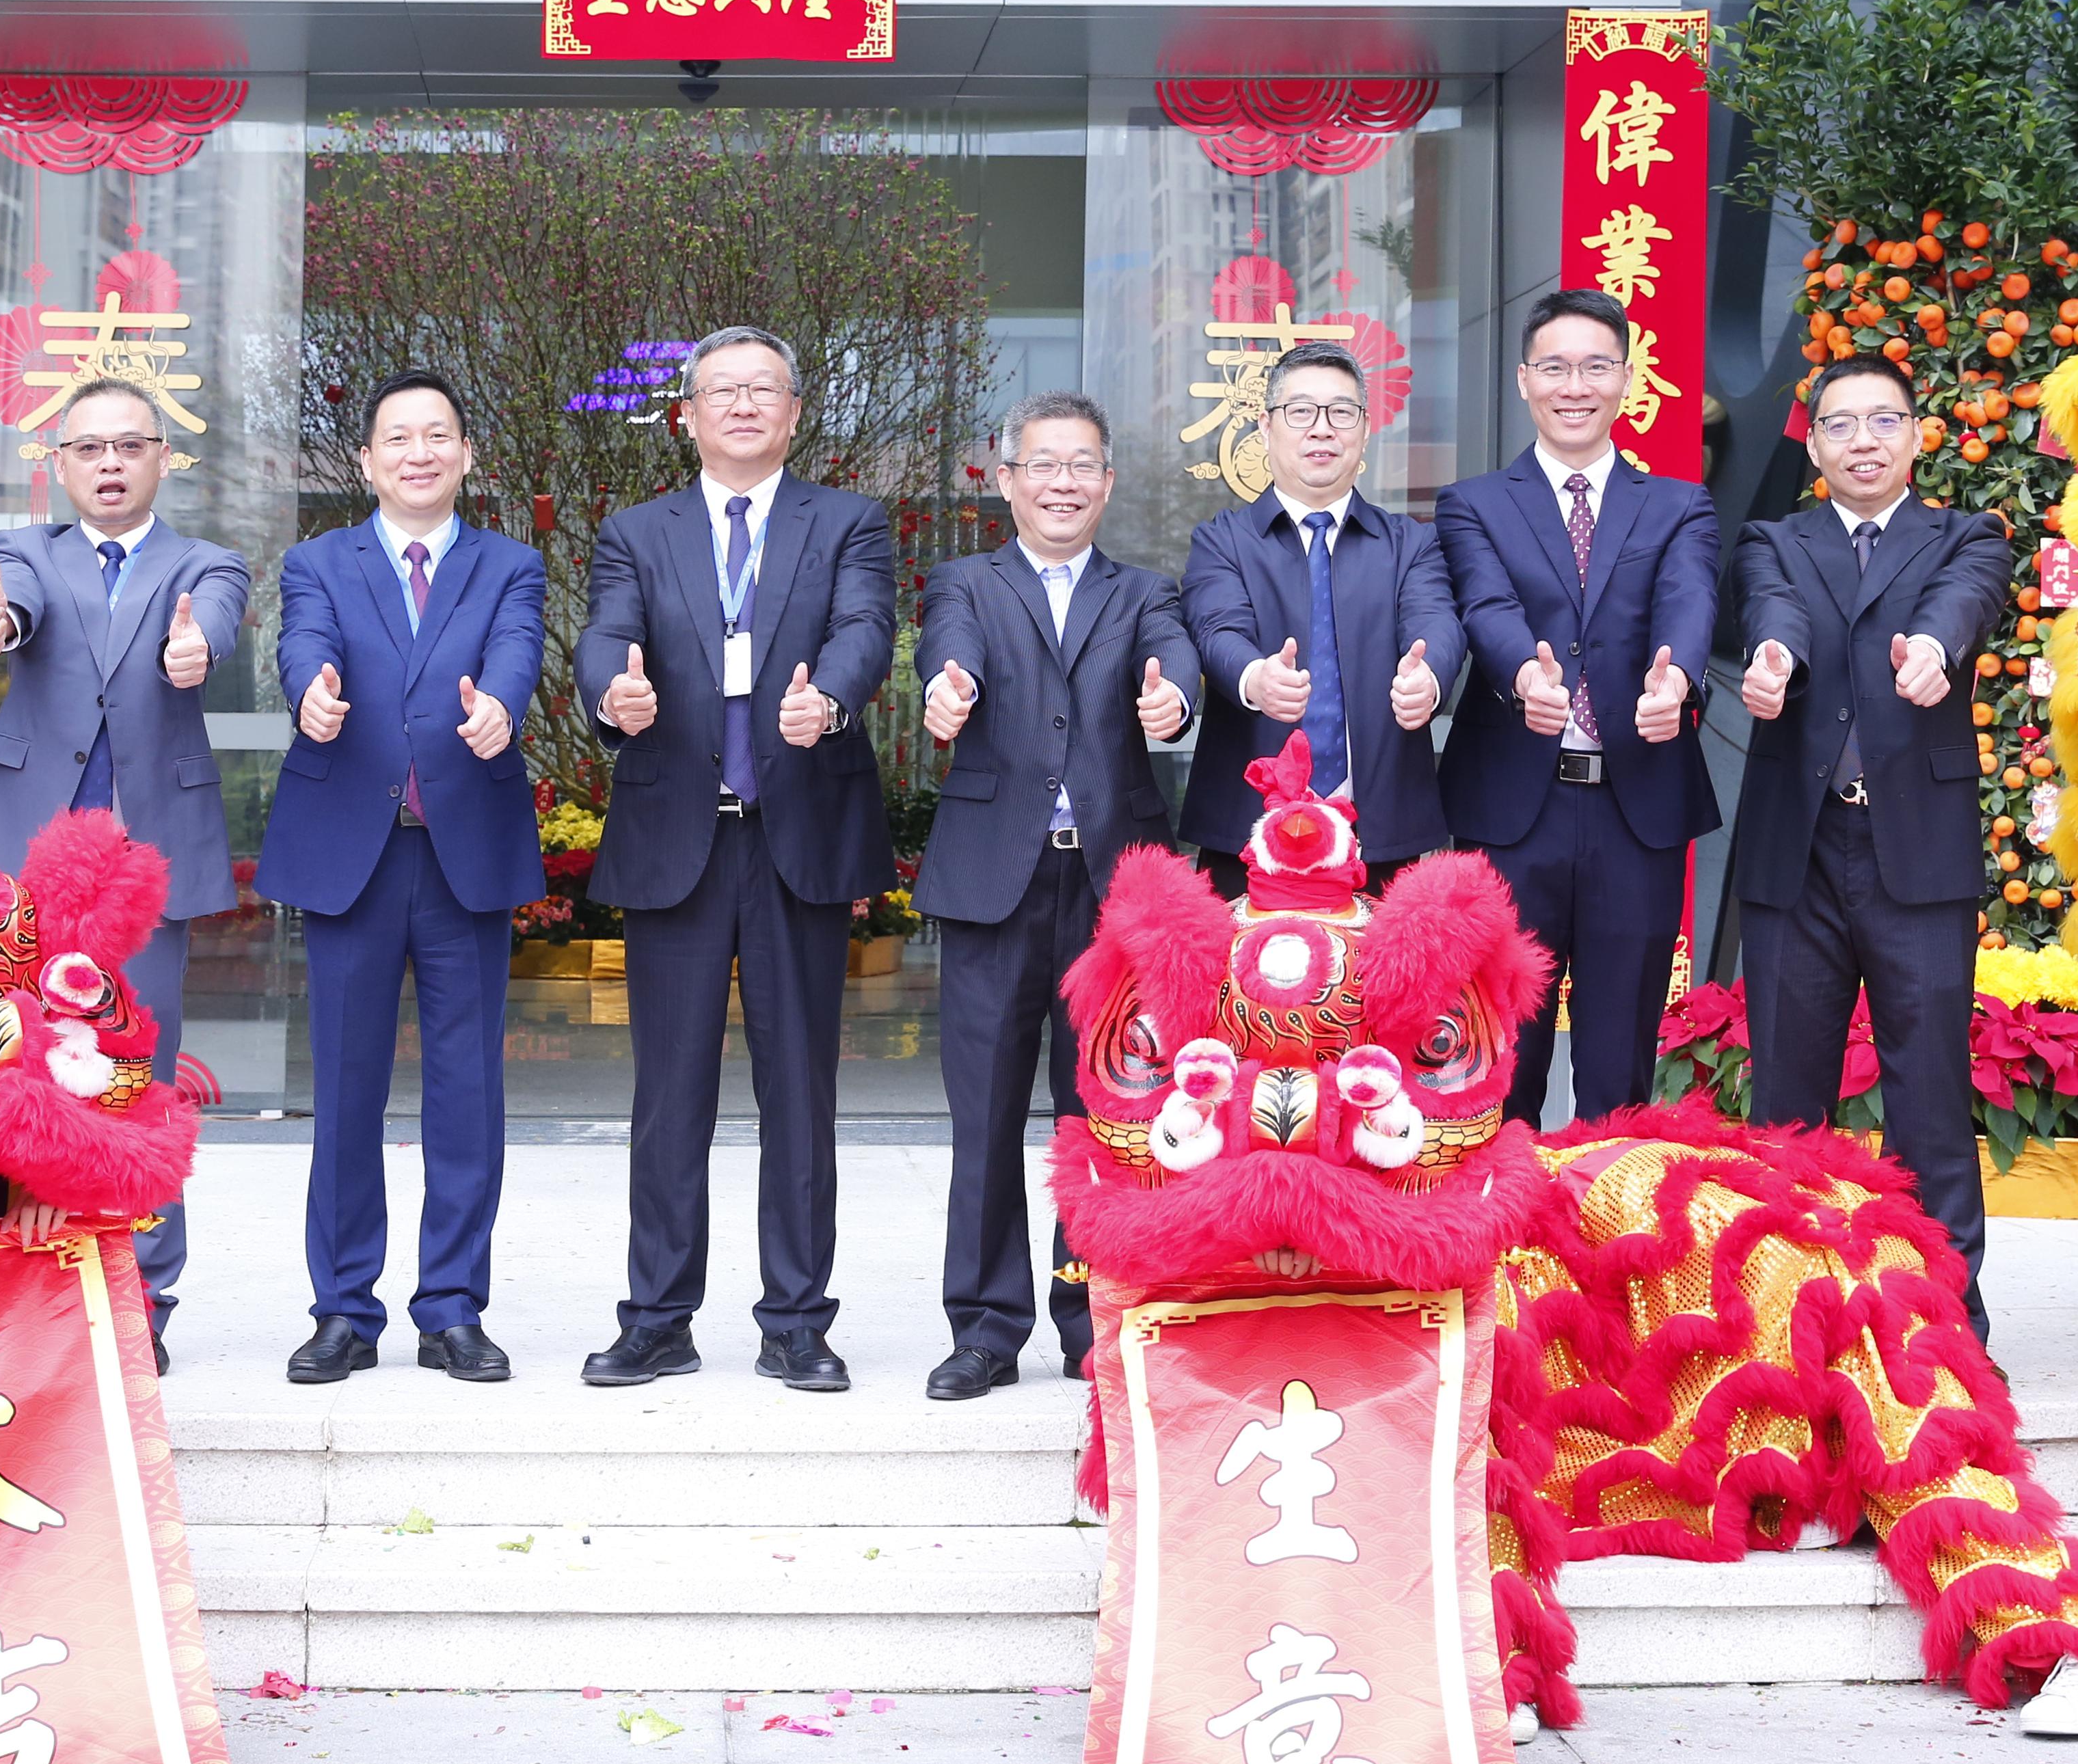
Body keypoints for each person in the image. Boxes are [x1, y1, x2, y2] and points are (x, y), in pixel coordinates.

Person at [570, 327, 896, 1393]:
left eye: (765, 388)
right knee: (669, 1094)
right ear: (689, 414)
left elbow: (865, 627)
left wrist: (830, 698)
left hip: (797, 830)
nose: (744, 404)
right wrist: (613, 694)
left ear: (795, 413)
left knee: (800, 1090)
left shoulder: (847, 521)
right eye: (723, 390)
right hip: (679, 835)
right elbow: (607, 632)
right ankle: (658, 1316)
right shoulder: (636, 530)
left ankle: (796, 1320)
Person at [259, 370, 546, 1387]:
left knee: (468, 1092)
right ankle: (344, 1307)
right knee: (346, 1091)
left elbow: (516, 652)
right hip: (355, 852)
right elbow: (304, 642)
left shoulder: (510, 564)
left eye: (437, 436)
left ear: (466, 454)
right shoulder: (317, 561)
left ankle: (453, 1306)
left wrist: (499, 707)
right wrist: (311, 693)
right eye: (398, 438)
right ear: (367, 460)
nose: (418, 453)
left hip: (464, 850)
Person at [913, 391, 1200, 1402]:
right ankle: (985, 1328)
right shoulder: (964, 581)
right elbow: (949, 650)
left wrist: (1173, 699)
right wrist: (947, 690)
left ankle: (1095, 1317)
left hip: (1112, 889)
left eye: (1082, 465)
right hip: (996, 878)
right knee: (986, 1113)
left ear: (1108, 483)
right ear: (1008, 480)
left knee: (1107, 1114)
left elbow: (1175, 660)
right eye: (1043, 464)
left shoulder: (1146, 590)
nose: (1063, 483)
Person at [0, 377, 249, 1361]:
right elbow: (15, 609)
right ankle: (8, 1287)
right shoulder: (23, 551)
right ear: (60, 464)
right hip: (22, 850)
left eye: (130, 445)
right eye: (89, 448)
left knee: (141, 1073)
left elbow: (214, 620)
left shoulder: (206, 561)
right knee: (6, 1059)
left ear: (164, 457)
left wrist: (194, 648)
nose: (111, 463)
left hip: (145, 860)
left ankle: (142, 1303)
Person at [1729, 354, 2019, 1335]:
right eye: (1841, 424)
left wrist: (1933, 650)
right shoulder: (1776, 538)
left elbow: (1961, 605)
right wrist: (1774, 658)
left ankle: (1948, 1324)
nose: (1864, 440)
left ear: (1917, 436)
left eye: (1884, 420)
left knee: (1930, 1096)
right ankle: (1786, 1319)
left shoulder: (1967, 535)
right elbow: (1772, 611)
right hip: (1798, 850)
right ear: (1813, 445)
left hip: (1917, 854)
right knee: (1786, 1103)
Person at [1437, 289, 1721, 1124]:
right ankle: (1504, 1204)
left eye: (1596, 367)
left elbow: (1689, 600)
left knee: (1618, 1058)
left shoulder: (1679, 504)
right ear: (1524, 379)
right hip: (1511, 807)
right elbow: (1486, 603)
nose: (1575, 386)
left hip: (1637, 805)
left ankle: (1607, 1202)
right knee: (1500, 1045)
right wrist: (1524, 676)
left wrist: (1679, 681)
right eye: (1555, 367)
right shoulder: (1474, 503)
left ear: (1627, 379)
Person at [1180, 341, 1459, 890]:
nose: (1322, 429)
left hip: (1381, 836)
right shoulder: (1222, 541)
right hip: (1248, 835)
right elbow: (1216, 627)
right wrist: (1255, 678)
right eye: (1301, 411)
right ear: (1266, 426)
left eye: (1341, 412)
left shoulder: (1409, 543)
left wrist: (1428, 678)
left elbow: (1437, 620)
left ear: (1365, 429)